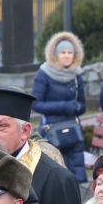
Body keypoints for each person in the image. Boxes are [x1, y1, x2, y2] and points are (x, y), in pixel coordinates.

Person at [32, 33, 89, 183]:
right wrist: (64, 106)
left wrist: (76, 107)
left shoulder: (77, 75)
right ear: (55, 54)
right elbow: (36, 103)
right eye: (63, 52)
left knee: (78, 175)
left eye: (70, 53)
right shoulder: (43, 74)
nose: (66, 56)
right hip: (50, 130)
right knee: (53, 174)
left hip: (73, 131)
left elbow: (83, 105)